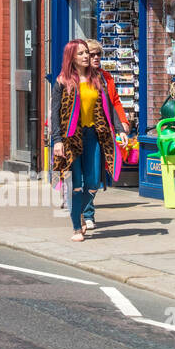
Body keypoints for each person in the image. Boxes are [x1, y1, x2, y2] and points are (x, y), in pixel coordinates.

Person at [50, 39, 118, 243]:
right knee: (75, 185)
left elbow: (108, 107)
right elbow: (55, 114)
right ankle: (77, 227)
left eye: (86, 52)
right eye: (81, 53)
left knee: (93, 181)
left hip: (93, 136)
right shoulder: (63, 81)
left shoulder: (97, 79)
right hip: (71, 139)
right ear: (72, 57)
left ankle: (79, 209)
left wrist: (120, 129)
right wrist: (57, 140)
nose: (86, 56)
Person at [83, 39, 130, 231]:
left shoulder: (106, 78)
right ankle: (87, 214)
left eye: (98, 55)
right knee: (81, 175)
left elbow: (114, 102)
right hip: (78, 133)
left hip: (99, 133)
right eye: (91, 55)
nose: (95, 58)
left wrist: (122, 125)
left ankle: (82, 208)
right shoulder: (75, 77)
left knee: (94, 177)